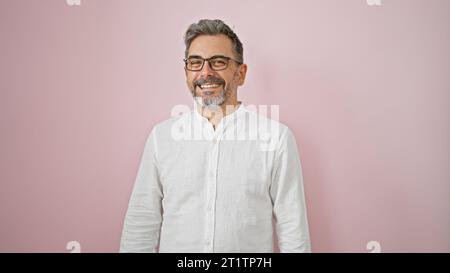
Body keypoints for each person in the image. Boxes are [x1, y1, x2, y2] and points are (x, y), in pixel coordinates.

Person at [120, 19, 311, 253]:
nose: (205, 72)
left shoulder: (276, 138)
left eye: (218, 62)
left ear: (241, 73)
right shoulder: (162, 137)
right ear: (186, 73)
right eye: (195, 62)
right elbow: (142, 221)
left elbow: (293, 227)